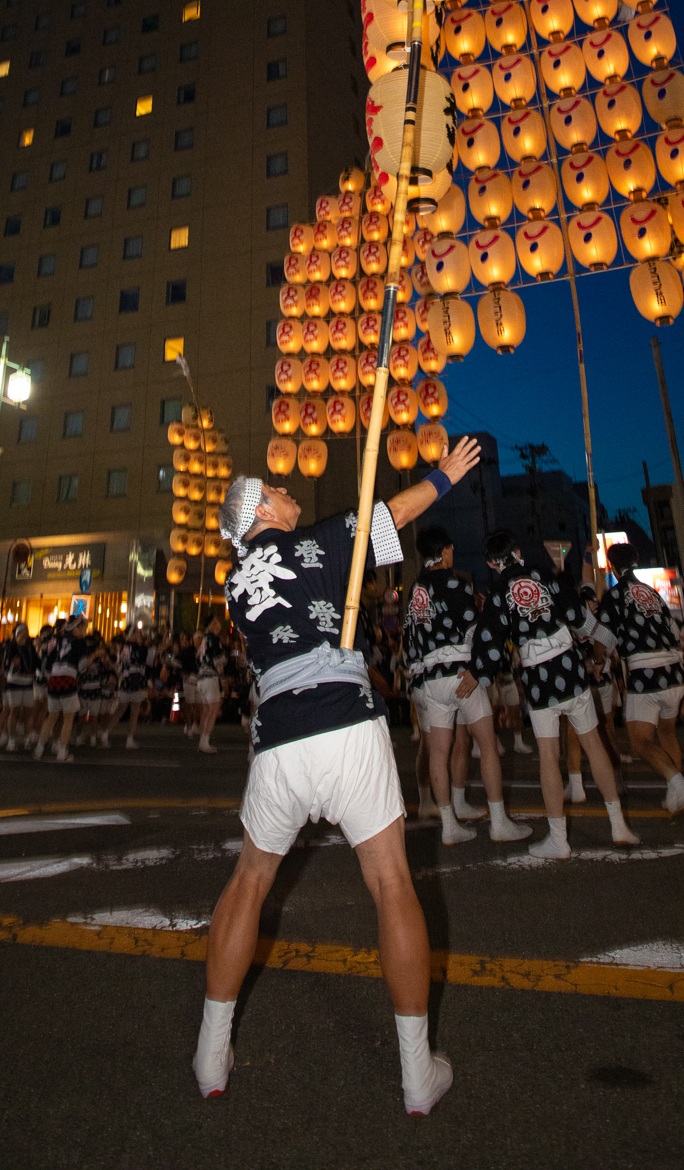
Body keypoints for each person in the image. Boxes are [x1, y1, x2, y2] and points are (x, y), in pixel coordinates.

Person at [192, 438, 483, 1115]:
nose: (288, 490)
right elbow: (392, 515)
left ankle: (209, 1054)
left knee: (249, 883)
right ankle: (416, 1072)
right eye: (276, 488)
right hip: (346, 722)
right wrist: (444, 475)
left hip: (278, 737)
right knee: (390, 883)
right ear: (261, 510)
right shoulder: (316, 544)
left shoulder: (235, 586)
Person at [472, 533, 638, 859]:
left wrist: (478, 674)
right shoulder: (543, 575)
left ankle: (559, 840)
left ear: (491, 563)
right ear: (517, 551)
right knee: (594, 744)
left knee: (549, 756)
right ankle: (619, 826)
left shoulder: (499, 594)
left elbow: (489, 642)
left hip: (537, 675)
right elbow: (577, 614)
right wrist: (600, 639)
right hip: (569, 664)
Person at [402, 523, 530, 846]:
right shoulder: (454, 583)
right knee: (487, 745)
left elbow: (409, 637)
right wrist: (478, 666)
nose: (452, 553)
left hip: (431, 679)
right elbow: (474, 630)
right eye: (450, 549)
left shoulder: (416, 589)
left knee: (438, 752)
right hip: (462, 674)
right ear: (444, 551)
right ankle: (499, 822)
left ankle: (449, 826)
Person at [595, 546, 684, 817]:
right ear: (636, 561)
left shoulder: (614, 595)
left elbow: (603, 637)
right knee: (667, 733)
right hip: (674, 672)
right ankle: (674, 796)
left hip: (646, 673)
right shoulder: (653, 593)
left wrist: (597, 662)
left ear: (611, 566)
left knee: (640, 742)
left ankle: (682, 788)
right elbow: (673, 629)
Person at [33, 614, 89, 762]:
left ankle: (39, 749)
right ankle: (62, 751)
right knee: (68, 718)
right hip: (68, 679)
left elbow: (48, 660)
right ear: (77, 627)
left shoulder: (57, 640)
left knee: (51, 717)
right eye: (83, 628)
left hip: (53, 679)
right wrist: (94, 656)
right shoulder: (80, 642)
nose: (84, 631)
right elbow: (82, 666)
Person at [2, 623, 38, 750]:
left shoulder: (30, 647)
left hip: (28, 681)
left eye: (26, 631)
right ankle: (11, 739)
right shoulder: (11, 647)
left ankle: (27, 738)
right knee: (14, 711)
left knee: (28, 711)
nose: (25, 634)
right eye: (23, 631)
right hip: (14, 681)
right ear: (17, 633)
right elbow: (7, 663)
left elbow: (35, 661)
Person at [195, 618, 226, 754]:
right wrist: (223, 679)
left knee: (206, 711)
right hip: (210, 677)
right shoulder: (213, 639)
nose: (219, 624)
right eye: (216, 622)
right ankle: (205, 741)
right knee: (213, 710)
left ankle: (202, 741)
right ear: (212, 624)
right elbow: (218, 661)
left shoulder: (203, 640)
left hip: (201, 677)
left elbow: (197, 659)